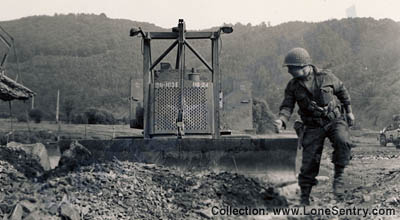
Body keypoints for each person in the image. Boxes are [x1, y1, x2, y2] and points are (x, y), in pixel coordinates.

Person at [273, 47, 355, 205]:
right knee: (309, 161)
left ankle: (338, 178)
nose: (289, 71)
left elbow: (342, 91)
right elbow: (287, 106)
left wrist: (350, 112)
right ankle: (304, 197)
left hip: (334, 120)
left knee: (342, 140)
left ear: (304, 66)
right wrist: (281, 120)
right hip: (311, 125)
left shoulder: (326, 77)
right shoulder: (293, 86)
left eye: (292, 68)